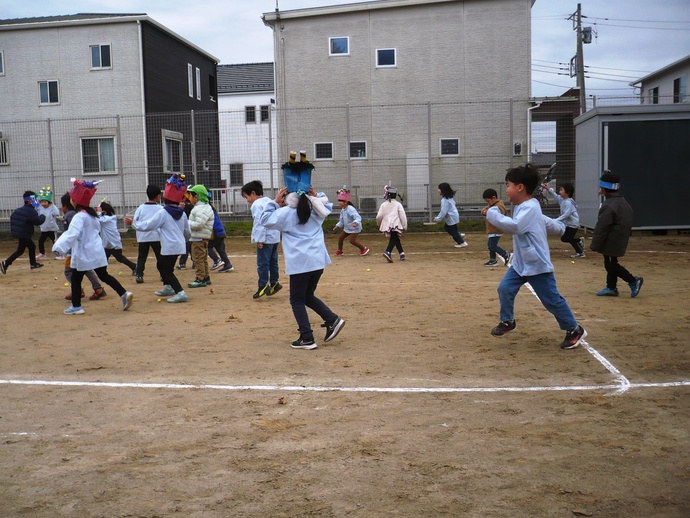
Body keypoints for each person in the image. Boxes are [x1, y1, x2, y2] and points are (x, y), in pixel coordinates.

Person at [485, 163, 587, 350]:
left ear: (520, 187)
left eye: (508, 185)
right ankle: (508, 321)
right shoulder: (527, 206)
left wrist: (491, 213)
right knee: (505, 288)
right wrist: (559, 228)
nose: (506, 190)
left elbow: (516, 227)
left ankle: (574, 329)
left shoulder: (529, 208)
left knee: (551, 300)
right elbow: (542, 221)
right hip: (521, 263)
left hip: (537, 264)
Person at [260, 185, 345, 350]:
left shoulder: (286, 213)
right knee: (306, 296)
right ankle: (332, 320)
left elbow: (264, 220)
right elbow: (326, 206)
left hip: (300, 263)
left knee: (297, 299)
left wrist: (275, 202)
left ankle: (307, 337)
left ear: (288, 198)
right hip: (317, 261)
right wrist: (316, 195)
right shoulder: (315, 210)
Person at [53, 179, 133, 315]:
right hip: (96, 252)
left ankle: (77, 306)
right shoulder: (93, 216)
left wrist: (59, 247)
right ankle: (124, 293)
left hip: (84, 253)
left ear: (75, 201)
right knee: (104, 276)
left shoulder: (79, 217)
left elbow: (71, 234)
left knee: (76, 279)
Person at [125, 174, 191, 303]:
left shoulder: (164, 212)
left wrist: (133, 223)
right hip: (178, 245)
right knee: (161, 264)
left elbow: (149, 225)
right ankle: (168, 287)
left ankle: (180, 292)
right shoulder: (181, 212)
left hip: (170, 246)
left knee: (166, 271)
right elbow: (187, 231)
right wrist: (184, 240)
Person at [590, 171, 643, 298]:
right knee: (611, 262)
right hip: (619, 238)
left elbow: (602, 227)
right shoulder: (623, 202)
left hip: (611, 240)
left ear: (604, 188)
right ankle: (611, 287)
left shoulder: (609, 205)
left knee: (611, 265)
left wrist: (595, 244)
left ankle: (633, 281)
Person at [59, 191, 106, 301]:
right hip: (81, 249)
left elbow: (71, 234)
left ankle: (78, 291)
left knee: (69, 271)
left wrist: (63, 245)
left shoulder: (70, 215)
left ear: (66, 206)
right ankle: (98, 289)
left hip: (74, 250)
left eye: (62, 206)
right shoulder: (81, 214)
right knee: (86, 269)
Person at [241, 180, 282, 299]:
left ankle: (263, 285)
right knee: (273, 262)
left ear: (253, 193)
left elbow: (260, 222)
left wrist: (259, 239)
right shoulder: (269, 201)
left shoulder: (257, 205)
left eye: (246, 197)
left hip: (265, 239)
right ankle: (274, 283)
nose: (247, 200)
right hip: (274, 237)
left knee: (263, 263)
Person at [0, 191, 45, 274]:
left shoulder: (20, 210)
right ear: (29, 201)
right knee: (20, 250)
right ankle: (6, 263)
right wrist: (43, 216)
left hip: (21, 232)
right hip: (24, 233)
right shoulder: (31, 211)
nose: (36, 201)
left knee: (32, 246)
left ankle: (33, 264)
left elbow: (14, 217)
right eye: (34, 199)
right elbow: (37, 222)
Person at [543, 181, 585, 258]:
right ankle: (579, 241)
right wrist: (548, 189)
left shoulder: (568, 203)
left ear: (567, 192)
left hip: (573, 224)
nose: (560, 192)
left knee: (568, 238)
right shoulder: (562, 200)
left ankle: (580, 252)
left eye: (562, 190)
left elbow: (566, 214)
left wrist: (556, 220)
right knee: (565, 238)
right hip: (569, 224)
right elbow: (555, 196)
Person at [132, 184, 163, 283]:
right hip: (157, 236)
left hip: (143, 236)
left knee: (142, 256)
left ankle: (139, 275)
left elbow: (135, 221)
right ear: (158, 196)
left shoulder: (141, 208)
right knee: (160, 256)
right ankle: (163, 274)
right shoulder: (160, 209)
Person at [186, 184, 215, 288]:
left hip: (198, 238)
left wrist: (187, 223)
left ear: (196, 197)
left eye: (190, 195)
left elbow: (199, 224)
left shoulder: (199, 209)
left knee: (198, 259)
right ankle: (206, 277)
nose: (189, 198)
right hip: (203, 237)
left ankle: (200, 279)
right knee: (203, 259)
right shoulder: (205, 207)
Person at [97, 202, 137, 274]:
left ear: (104, 212)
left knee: (119, 257)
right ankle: (102, 271)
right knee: (104, 257)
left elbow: (98, 219)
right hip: (108, 243)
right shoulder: (106, 218)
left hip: (113, 243)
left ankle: (134, 267)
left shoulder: (109, 219)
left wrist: (99, 212)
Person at [332, 186, 369, 257]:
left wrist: (355, 222)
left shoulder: (351, 209)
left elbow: (357, 217)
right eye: (339, 201)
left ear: (346, 202)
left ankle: (364, 249)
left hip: (355, 228)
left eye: (340, 201)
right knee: (341, 238)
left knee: (352, 241)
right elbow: (341, 220)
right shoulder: (342, 210)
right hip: (347, 228)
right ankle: (340, 251)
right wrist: (337, 226)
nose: (339, 202)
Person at [376, 185, 408, 262]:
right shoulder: (398, 204)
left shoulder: (383, 205)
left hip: (387, 224)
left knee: (395, 238)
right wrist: (404, 225)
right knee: (394, 238)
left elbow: (379, 216)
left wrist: (379, 224)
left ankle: (402, 253)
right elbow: (402, 215)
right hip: (395, 223)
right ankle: (388, 251)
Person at [481, 188, 511, 267]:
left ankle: (505, 254)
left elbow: (500, 212)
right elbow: (485, 209)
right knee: (490, 245)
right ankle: (493, 260)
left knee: (492, 245)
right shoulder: (492, 205)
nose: (488, 203)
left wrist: (488, 211)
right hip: (492, 229)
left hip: (496, 229)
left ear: (493, 198)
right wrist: (485, 211)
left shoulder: (499, 206)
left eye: (488, 201)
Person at [434, 182, 467, 248]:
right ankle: (459, 235)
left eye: (439, 189)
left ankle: (461, 242)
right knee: (448, 228)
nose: (438, 190)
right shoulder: (449, 198)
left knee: (452, 230)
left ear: (443, 190)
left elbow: (443, 211)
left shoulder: (444, 200)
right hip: (453, 216)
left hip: (451, 217)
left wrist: (437, 219)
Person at [36, 187, 62, 260]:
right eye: (42, 202)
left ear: (49, 202)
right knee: (41, 241)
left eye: (45, 202)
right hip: (44, 229)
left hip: (52, 229)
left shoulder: (51, 208)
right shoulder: (40, 208)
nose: (43, 203)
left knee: (55, 242)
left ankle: (60, 254)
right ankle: (42, 253)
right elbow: (36, 212)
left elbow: (57, 213)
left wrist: (53, 205)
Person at [207, 205, 235, 273]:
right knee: (220, 250)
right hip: (221, 231)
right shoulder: (212, 210)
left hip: (216, 232)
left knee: (207, 246)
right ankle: (227, 265)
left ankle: (216, 260)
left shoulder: (208, 210)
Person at [177, 193, 194, 270]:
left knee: (186, 246)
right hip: (189, 228)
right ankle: (195, 262)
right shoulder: (190, 206)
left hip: (186, 228)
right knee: (190, 246)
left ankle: (182, 263)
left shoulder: (184, 207)